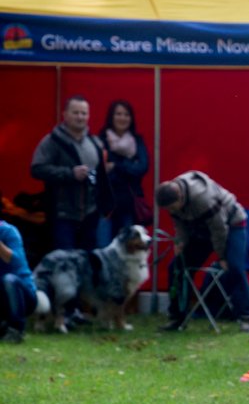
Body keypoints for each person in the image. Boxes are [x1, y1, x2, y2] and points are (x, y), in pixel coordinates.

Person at [156, 171, 249, 333]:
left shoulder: (203, 198)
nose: (171, 211)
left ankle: (245, 316)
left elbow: (219, 229)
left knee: (234, 267)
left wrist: (222, 256)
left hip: (230, 224)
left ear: (180, 197)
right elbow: (179, 223)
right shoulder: (170, 196)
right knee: (177, 267)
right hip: (202, 228)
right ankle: (177, 317)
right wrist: (181, 242)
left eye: (172, 207)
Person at [31, 95, 105, 251]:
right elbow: (37, 169)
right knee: (65, 264)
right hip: (63, 215)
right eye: (75, 112)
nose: (80, 117)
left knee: (87, 265)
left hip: (90, 215)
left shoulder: (95, 143)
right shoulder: (52, 141)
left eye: (84, 113)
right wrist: (70, 173)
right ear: (64, 114)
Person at [96, 99, 150, 246]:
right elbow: (101, 171)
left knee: (129, 250)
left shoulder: (137, 141)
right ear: (111, 117)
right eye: (118, 114)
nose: (122, 118)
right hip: (107, 204)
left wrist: (116, 166)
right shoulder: (101, 141)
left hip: (130, 205)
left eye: (126, 114)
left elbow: (142, 168)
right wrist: (129, 166)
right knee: (104, 248)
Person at [0, 220, 37, 343]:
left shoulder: (8, 231)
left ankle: (16, 330)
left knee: (9, 279)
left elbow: (15, 260)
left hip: (22, 295)